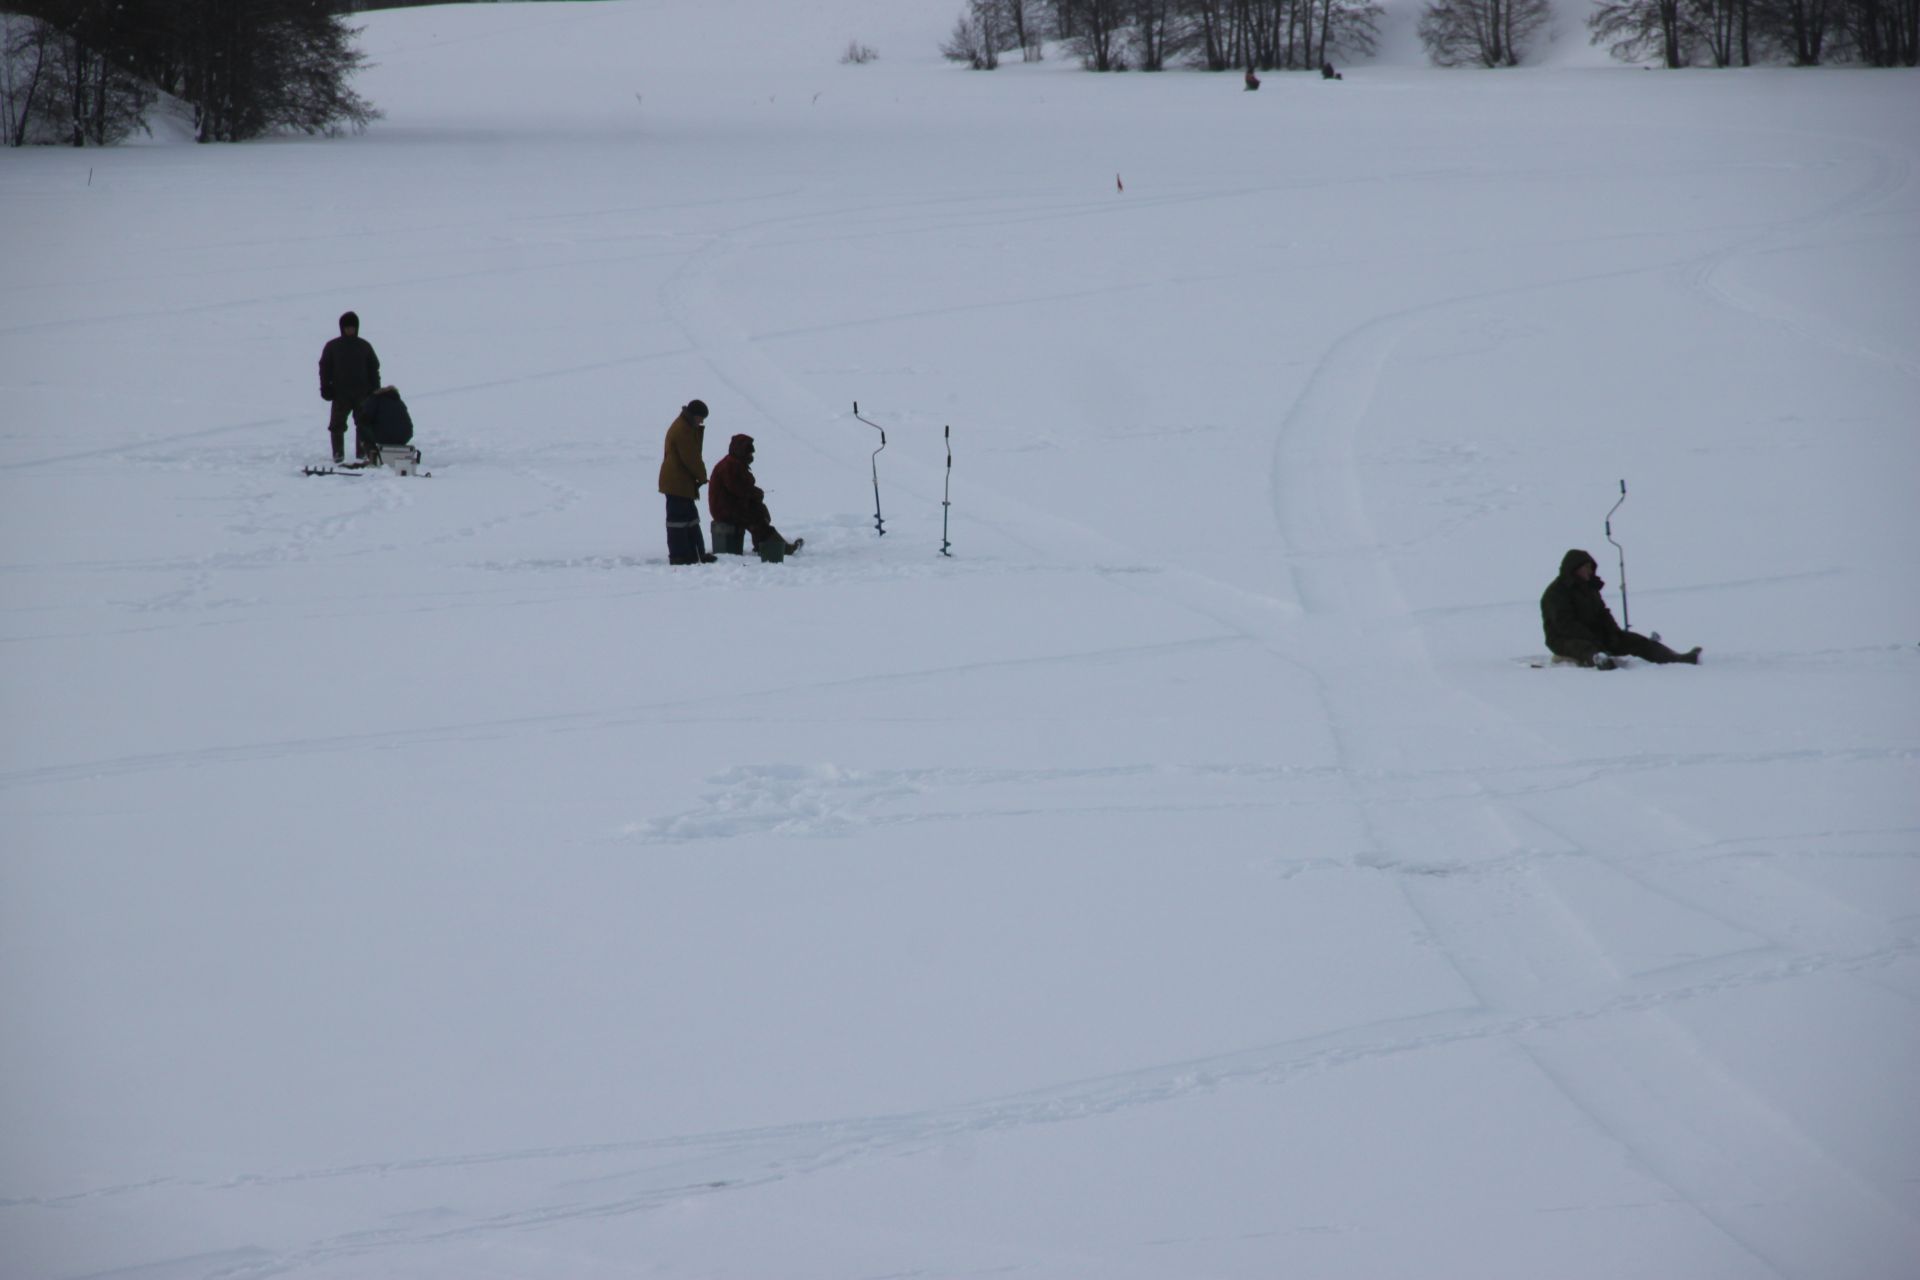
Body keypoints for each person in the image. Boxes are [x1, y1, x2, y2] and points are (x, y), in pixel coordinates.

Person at [1541, 549, 1700, 669]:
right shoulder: (1556, 592)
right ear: (1574, 568)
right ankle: (1600, 660)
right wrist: (1593, 637)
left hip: (1595, 635)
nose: (1590, 571)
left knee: (1636, 641)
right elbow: (1565, 625)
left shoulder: (1589, 589)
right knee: (1585, 648)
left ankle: (1677, 658)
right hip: (1563, 639)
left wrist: (1614, 633)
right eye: (1587, 567)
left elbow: (1603, 613)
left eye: (1591, 567)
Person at [708, 433, 802, 563]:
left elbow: (742, 489)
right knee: (756, 518)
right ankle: (778, 548)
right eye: (749, 453)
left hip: (730, 505)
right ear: (741, 452)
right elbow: (739, 489)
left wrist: (756, 496)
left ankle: (764, 545)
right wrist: (757, 494)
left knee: (759, 511)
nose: (751, 456)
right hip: (724, 509)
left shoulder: (734, 463)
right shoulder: (730, 466)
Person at [658, 399, 716, 565]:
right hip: (676, 484)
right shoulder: (683, 430)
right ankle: (680, 556)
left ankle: (695, 553)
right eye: (701, 418)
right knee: (678, 521)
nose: (702, 422)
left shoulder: (685, 426)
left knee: (691, 519)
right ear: (695, 415)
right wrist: (702, 476)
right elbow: (691, 458)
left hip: (681, 483)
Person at [318, 311, 381, 464]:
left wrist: (375, 389)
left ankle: (363, 454)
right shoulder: (332, 346)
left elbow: (374, 368)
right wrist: (325, 387)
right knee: (336, 425)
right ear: (342, 328)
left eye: (352, 327)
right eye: (347, 328)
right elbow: (324, 367)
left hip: (362, 394)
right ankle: (338, 455)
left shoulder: (364, 346)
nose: (350, 330)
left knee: (363, 424)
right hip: (340, 394)